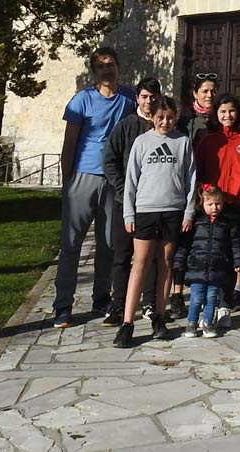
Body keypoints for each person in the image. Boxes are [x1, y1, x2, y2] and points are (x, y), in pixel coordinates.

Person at [52, 47, 135, 329]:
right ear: (94, 72)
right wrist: (68, 180)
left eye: (110, 65)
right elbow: (69, 143)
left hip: (114, 179)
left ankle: (101, 298)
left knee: (109, 243)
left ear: (118, 67)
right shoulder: (82, 100)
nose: (106, 70)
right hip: (83, 175)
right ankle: (63, 306)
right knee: (71, 244)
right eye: (101, 66)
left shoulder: (129, 98)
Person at [113, 95, 196, 348]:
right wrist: (129, 213)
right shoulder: (142, 142)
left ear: (176, 117)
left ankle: (159, 316)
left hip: (173, 210)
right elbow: (131, 179)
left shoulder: (183, 142)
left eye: (170, 117)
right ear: (153, 117)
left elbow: (191, 177)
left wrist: (188, 212)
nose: (165, 122)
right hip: (146, 210)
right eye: (161, 117)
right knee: (140, 263)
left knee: (166, 262)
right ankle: (127, 322)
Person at [101, 76, 162, 326]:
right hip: (124, 202)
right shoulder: (126, 125)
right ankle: (119, 303)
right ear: (137, 98)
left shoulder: (163, 125)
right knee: (122, 254)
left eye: (153, 97)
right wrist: (123, 188)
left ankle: (149, 302)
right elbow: (110, 160)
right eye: (144, 97)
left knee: (151, 256)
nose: (148, 102)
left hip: (154, 203)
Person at [195, 93, 240, 318]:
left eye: (231, 111)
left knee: (236, 251)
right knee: (214, 252)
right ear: (216, 113)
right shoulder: (208, 140)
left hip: (237, 204)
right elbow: (199, 171)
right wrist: (204, 195)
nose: (227, 115)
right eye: (223, 111)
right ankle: (211, 295)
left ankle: (233, 293)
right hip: (213, 205)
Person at [168, 73, 219, 318]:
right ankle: (177, 293)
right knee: (183, 244)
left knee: (208, 245)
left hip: (211, 191)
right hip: (187, 188)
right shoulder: (184, 120)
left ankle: (211, 293)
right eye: (205, 91)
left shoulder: (219, 118)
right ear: (195, 94)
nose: (209, 95)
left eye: (213, 91)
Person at [174, 183, 240, 338]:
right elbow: (185, 244)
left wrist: (238, 261)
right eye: (210, 204)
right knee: (196, 298)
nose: (214, 207)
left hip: (217, 269)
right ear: (202, 204)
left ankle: (208, 323)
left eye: (218, 203)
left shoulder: (227, 223)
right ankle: (191, 323)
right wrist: (179, 261)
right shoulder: (196, 222)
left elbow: (235, 244)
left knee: (212, 298)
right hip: (197, 268)